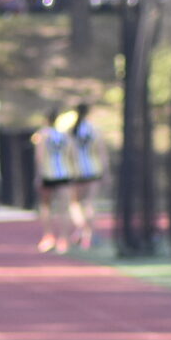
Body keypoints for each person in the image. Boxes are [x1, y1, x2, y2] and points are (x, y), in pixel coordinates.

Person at [33, 110, 76, 252]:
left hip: (48, 175)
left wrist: (38, 175)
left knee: (46, 207)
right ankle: (64, 239)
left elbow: (39, 156)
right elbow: (71, 155)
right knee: (64, 208)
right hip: (64, 174)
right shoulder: (65, 136)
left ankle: (48, 237)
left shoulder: (42, 135)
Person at [67, 101, 104, 249]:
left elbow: (68, 153)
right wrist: (105, 171)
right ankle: (88, 234)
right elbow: (101, 152)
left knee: (75, 204)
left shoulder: (72, 130)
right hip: (93, 170)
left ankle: (81, 229)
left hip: (77, 171)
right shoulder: (94, 130)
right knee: (90, 203)